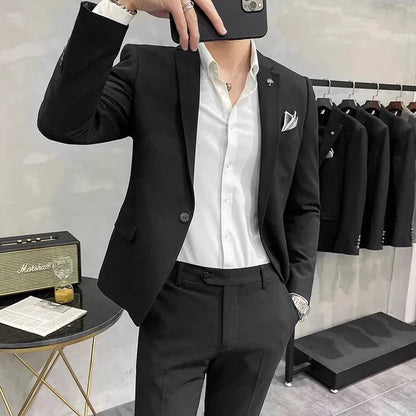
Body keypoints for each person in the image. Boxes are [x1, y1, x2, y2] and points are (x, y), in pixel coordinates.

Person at [37, 0, 320, 415]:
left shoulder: (294, 89)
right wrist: (124, 3)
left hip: (263, 301)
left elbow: (304, 203)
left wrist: (296, 297)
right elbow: (63, 123)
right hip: (177, 301)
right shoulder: (151, 71)